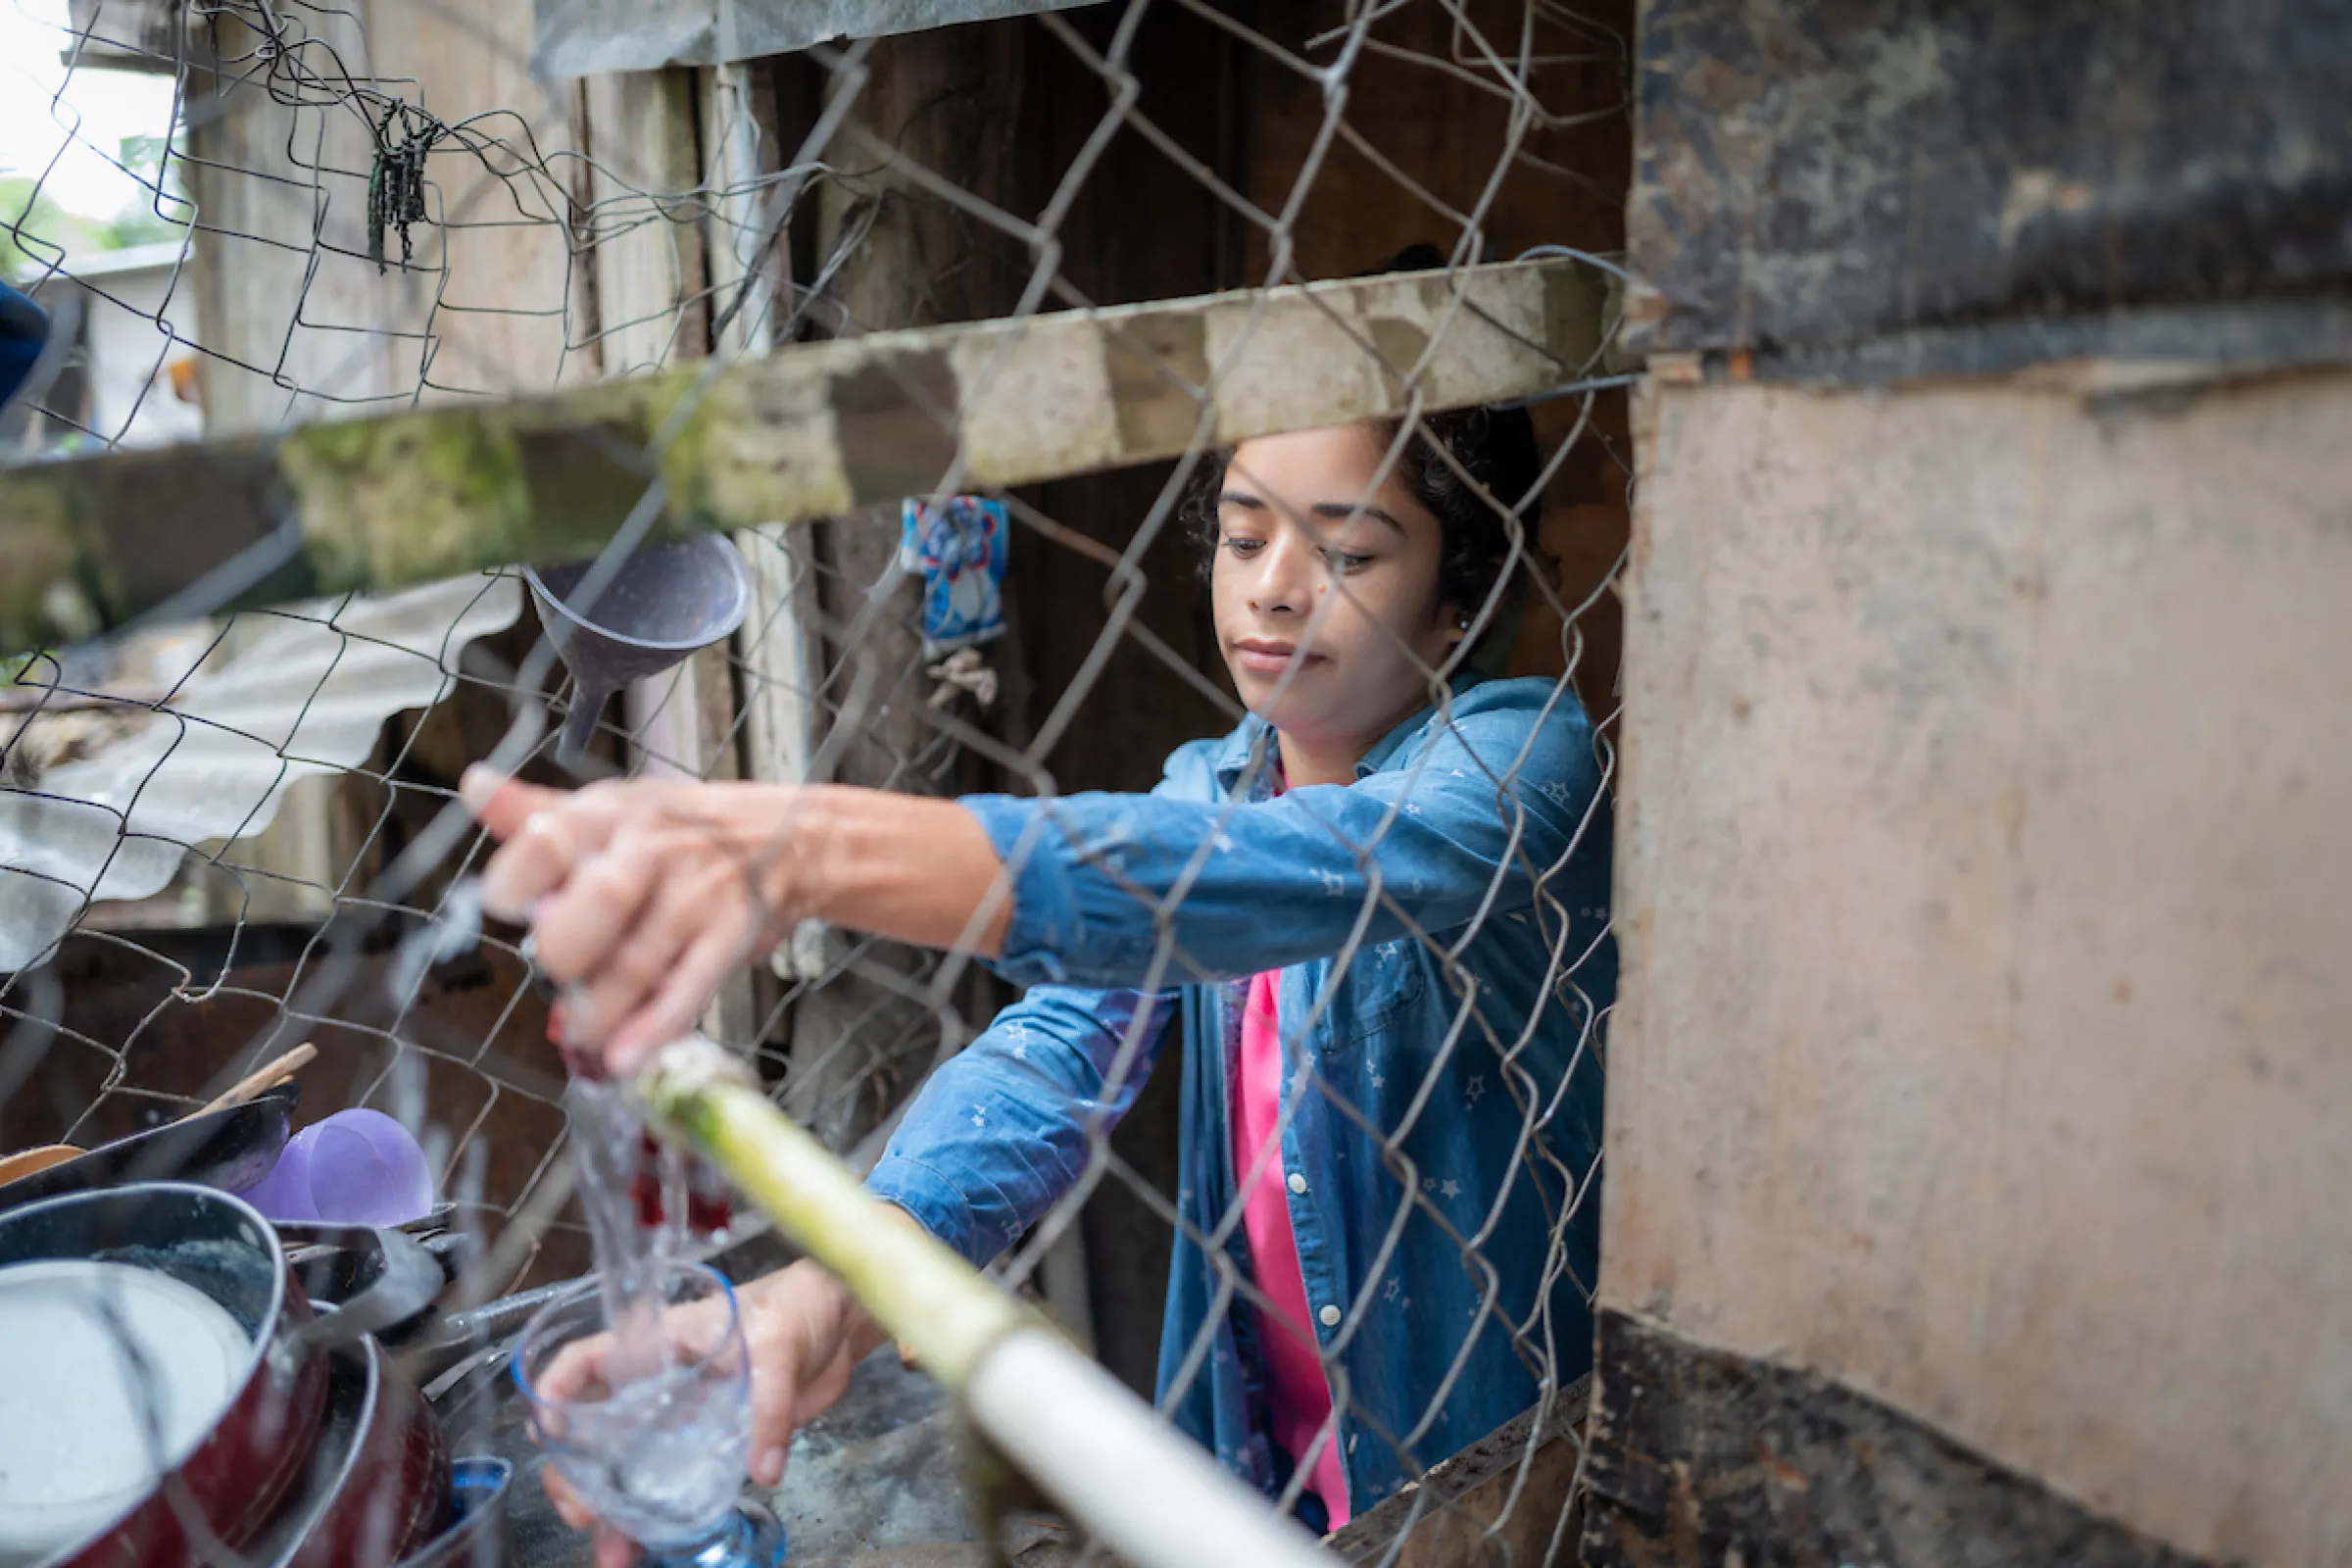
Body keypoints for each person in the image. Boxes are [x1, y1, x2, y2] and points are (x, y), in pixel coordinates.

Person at [465, 366, 1614, 1563]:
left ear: (1457, 601)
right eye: (1241, 535)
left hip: (1500, 1459)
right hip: (1260, 1465)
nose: (1272, 589)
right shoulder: (1210, 782)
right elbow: (1048, 1059)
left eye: (1350, 554)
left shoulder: (1523, 766)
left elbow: (1251, 876)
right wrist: (829, 1298)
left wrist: (805, 849)